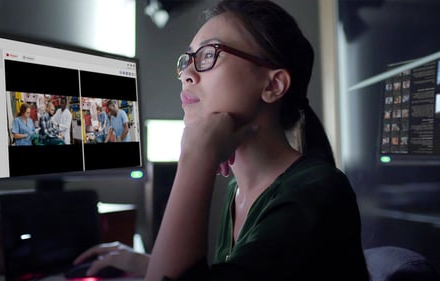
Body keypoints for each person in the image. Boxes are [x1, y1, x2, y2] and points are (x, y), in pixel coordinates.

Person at [74, 1, 369, 280]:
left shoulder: (316, 192)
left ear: (273, 84)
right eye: (187, 59)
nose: (186, 74)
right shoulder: (236, 190)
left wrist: (195, 157)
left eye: (208, 55)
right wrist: (146, 263)